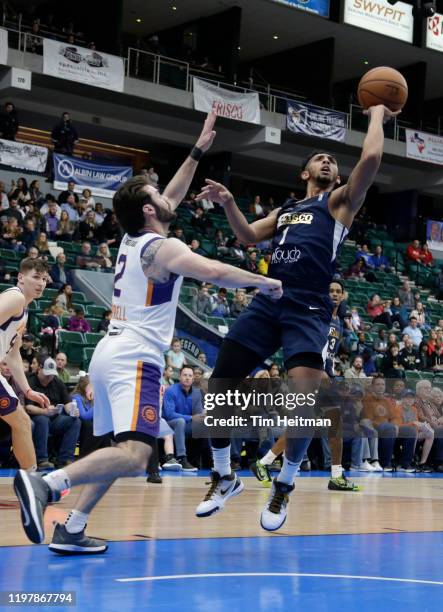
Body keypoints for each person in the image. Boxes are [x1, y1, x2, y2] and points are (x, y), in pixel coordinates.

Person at [13, 111, 282, 553]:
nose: (167, 195)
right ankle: (46, 483)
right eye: (157, 194)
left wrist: (197, 151)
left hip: (111, 351)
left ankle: (73, 527)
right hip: (137, 356)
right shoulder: (164, 247)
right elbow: (213, 271)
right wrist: (264, 281)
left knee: (124, 448)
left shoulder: (134, 239)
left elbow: (169, 196)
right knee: (138, 455)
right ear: (148, 209)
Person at [194, 103, 398, 531]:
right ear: (304, 171)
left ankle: (285, 483)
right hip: (271, 297)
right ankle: (223, 475)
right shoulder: (286, 210)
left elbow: (373, 159)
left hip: (308, 303)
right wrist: (230, 201)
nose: (327, 161)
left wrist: (376, 115)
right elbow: (247, 236)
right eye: (319, 158)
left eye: (333, 161)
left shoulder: (339, 204)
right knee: (221, 383)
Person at [0, 258, 50, 470]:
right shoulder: (15, 297)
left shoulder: (24, 311)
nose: (41, 283)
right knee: (20, 421)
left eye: (44, 279)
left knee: (18, 422)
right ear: (21, 277)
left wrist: (27, 390)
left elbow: (13, 355)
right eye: (35, 277)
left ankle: (31, 480)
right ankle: (32, 483)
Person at [25, 356, 81, 470]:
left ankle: (65, 459)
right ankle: (41, 459)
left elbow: (67, 402)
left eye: (51, 374)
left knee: (75, 421)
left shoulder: (57, 382)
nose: (49, 377)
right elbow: (28, 407)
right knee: (42, 419)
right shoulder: (30, 381)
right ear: (39, 369)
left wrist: (72, 410)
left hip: (55, 419)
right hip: (36, 417)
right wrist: (44, 411)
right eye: (46, 374)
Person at [162, 366, 204, 471]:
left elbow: (198, 414)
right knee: (180, 422)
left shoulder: (197, 393)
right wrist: (191, 417)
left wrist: (203, 416)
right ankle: (182, 458)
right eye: (185, 375)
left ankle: (213, 460)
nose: (187, 378)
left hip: (188, 424)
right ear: (180, 377)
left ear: (193, 379)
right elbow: (169, 414)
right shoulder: (170, 390)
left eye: (190, 376)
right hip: (169, 424)